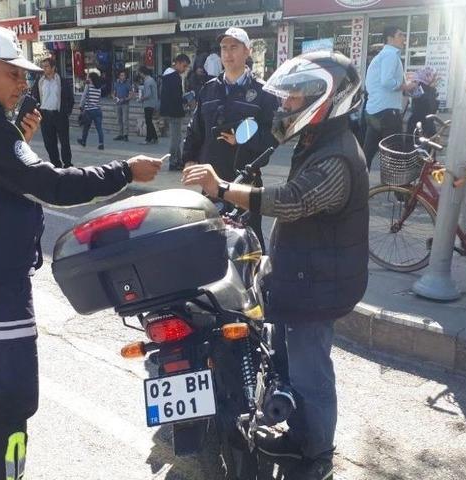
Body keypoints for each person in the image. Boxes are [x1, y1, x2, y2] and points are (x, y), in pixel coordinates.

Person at [0, 25, 162, 480]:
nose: (23, 84)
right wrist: (126, 170)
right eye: (13, 74)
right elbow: (53, 186)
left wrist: (16, 140)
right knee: (10, 402)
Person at [183, 51, 368, 480]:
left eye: (294, 98)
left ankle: (317, 454)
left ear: (327, 99)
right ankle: (298, 435)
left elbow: (292, 201)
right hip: (301, 276)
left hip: (319, 286)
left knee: (310, 374)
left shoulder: (338, 156)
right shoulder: (318, 140)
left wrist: (222, 188)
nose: (285, 105)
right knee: (287, 363)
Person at [182, 27, 278, 246]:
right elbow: (195, 129)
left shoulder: (263, 92)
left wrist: (244, 140)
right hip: (210, 182)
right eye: (224, 48)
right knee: (209, 243)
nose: (227, 53)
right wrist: (189, 159)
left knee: (249, 245)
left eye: (234, 47)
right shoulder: (208, 89)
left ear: (247, 51)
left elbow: (273, 139)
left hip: (245, 184)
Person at [362, 25, 418, 170]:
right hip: (387, 112)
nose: (404, 38)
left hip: (374, 110)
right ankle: (396, 186)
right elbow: (387, 82)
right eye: (400, 35)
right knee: (395, 155)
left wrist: (404, 87)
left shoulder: (382, 56)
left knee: (367, 154)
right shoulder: (390, 55)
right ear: (390, 38)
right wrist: (406, 86)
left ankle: (357, 182)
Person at [33, 57, 75, 167]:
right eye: (43, 66)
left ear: (53, 68)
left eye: (46, 66)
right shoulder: (39, 81)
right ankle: (56, 164)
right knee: (49, 143)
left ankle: (67, 164)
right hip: (45, 115)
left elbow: (70, 98)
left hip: (59, 115)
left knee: (64, 142)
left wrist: (66, 112)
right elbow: (34, 97)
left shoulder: (62, 81)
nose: (44, 69)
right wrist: (37, 110)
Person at [160, 54, 191, 171]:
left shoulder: (167, 75)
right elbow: (176, 96)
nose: (184, 69)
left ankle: (177, 160)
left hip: (169, 110)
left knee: (177, 137)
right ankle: (173, 161)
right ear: (177, 63)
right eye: (184, 66)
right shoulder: (174, 77)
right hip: (175, 110)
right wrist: (186, 100)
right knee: (175, 138)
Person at [406, 65, 439, 136]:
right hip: (422, 126)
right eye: (434, 77)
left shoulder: (424, 88)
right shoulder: (424, 89)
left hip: (418, 124)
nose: (436, 79)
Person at [77, 71, 104, 150]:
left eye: (89, 78)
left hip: (89, 110)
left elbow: (84, 96)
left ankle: (83, 141)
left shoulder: (88, 86)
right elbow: (98, 99)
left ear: (91, 79)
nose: (88, 79)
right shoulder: (99, 88)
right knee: (99, 128)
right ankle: (101, 143)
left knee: (86, 127)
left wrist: (80, 106)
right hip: (98, 110)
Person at [138, 66, 159, 145]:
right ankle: (154, 137)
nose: (140, 75)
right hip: (153, 103)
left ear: (142, 73)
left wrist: (141, 99)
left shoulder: (147, 81)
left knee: (148, 122)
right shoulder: (152, 80)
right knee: (149, 121)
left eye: (140, 73)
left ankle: (148, 139)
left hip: (148, 104)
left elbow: (148, 94)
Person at [113, 70, 133, 141]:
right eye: (121, 75)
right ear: (119, 76)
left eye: (124, 75)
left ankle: (125, 135)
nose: (123, 77)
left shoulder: (127, 84)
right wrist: (114, 97)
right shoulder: (116, 84)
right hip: (118, 104)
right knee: (119, 119)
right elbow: (114, 93)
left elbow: (131, 95)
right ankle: (120, 134)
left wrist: (125, 99)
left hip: (125, 104)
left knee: (125, 120)